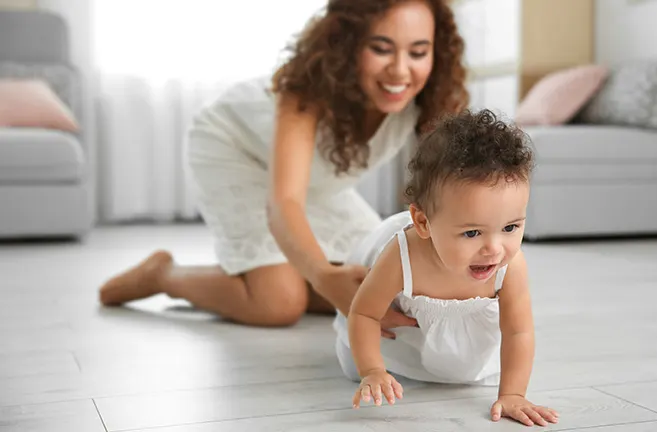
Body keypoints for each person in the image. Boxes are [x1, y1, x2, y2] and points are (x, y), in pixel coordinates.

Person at [98, 0, 469, 330]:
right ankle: (163, 274)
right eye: (380, 48)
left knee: (376, 283)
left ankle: (282, 274)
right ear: (347, 44)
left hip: (316, 185)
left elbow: (457, 192)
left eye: (418, 52)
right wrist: (322, 275)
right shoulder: (305, 90)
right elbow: (284, 203)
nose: (400, 71)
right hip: (236, 152)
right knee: (278, 303)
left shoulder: (428, 99)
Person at [333, 109, 560, 427]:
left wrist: (513, 394)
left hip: (465, 357)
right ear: (423, 223)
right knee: (352, 360)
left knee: (470, 370)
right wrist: (372, 370)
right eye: (471, 233)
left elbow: (518, 330)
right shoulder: (403, 256)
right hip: (400, 352)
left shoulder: (510, 267)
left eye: (510, 227)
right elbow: (365, 314)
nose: (494, 249)